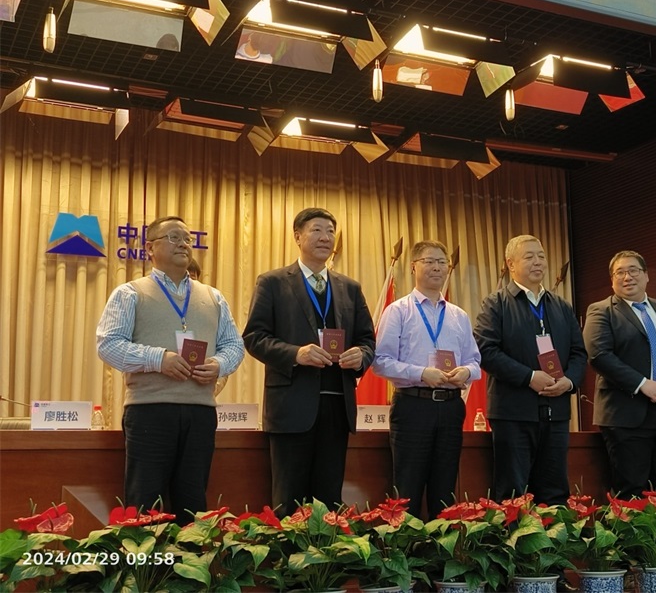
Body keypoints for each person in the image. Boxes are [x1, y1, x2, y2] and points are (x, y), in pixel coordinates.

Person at [97, 216, 244, 524]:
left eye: (188, 239)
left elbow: (234, 345)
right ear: (150, 248)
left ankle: (189, 557)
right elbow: (108, 344)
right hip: (150, 411)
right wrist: (158, 359)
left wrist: (218, 364)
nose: (183, 245)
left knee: (193, 505)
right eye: (174, 238)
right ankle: (145, 557)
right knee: (145, 502)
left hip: (200, 412)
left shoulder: (213, 297)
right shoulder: (130, 293)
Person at [243, 208, 375, 514]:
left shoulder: (350, 288)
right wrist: (296, 354)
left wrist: (361, 356)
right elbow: (254, 337)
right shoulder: (273, 282)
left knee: (329, 503)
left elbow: (368, 340)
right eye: (317, 230)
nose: (325, 237)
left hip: (337, 407)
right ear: (297, 236)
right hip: (292, 407)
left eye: (330, 231)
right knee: (288, 501)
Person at [473, 235, 586, 505]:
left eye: (542, 256)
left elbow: (579, 353)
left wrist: (569, 381)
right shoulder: (496, 303)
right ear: (510, 264)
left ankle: (554, 534)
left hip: (556, 412)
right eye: (529, 257)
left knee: (555, 493)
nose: (538, 262)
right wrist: (529, 377)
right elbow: (486, 351)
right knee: (513, 495)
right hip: (513, 413)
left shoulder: (561, 306)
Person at [373, 240, 482, 519]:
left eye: (442, 262)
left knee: (445, 490)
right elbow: (380, 361)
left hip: (451, 406)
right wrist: (422, 373)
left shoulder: (458, 315)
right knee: (407, 489)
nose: (437, 267)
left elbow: (475, 362)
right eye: (429, 261)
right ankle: (406, 545)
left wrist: (465, 372)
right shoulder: (398, 311)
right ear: (413, 267)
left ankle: (441, 545)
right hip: (413, 406)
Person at [583, 250, 656, 499]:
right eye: (620, 272)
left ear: (646, 275)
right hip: (626, 413)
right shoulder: (601, 310)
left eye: (633, 270)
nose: (627, 277)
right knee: (631, 491)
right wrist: (641, 383)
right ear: (612, 280)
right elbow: (599, 355)